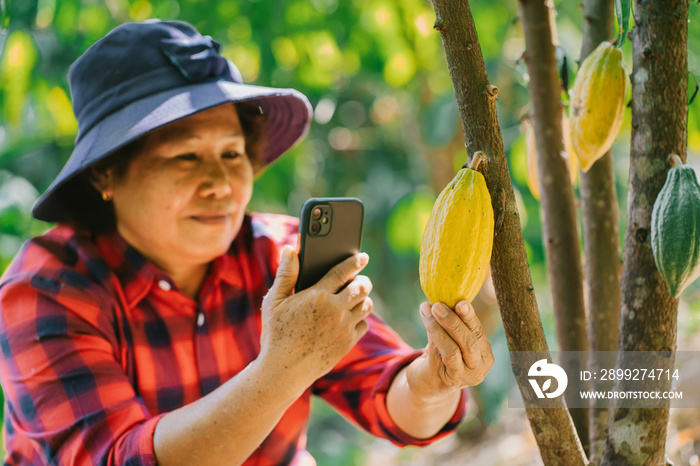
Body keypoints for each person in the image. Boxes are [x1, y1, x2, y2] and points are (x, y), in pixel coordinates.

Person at [0, 20, 494, 465]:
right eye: (185, 156)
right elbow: (116, 458)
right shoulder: (47, 289)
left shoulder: (280, 255)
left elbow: (391, 396)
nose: (221, 182)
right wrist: (280, 371)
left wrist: (435, 380)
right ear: (107, 174)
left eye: (232, 152)